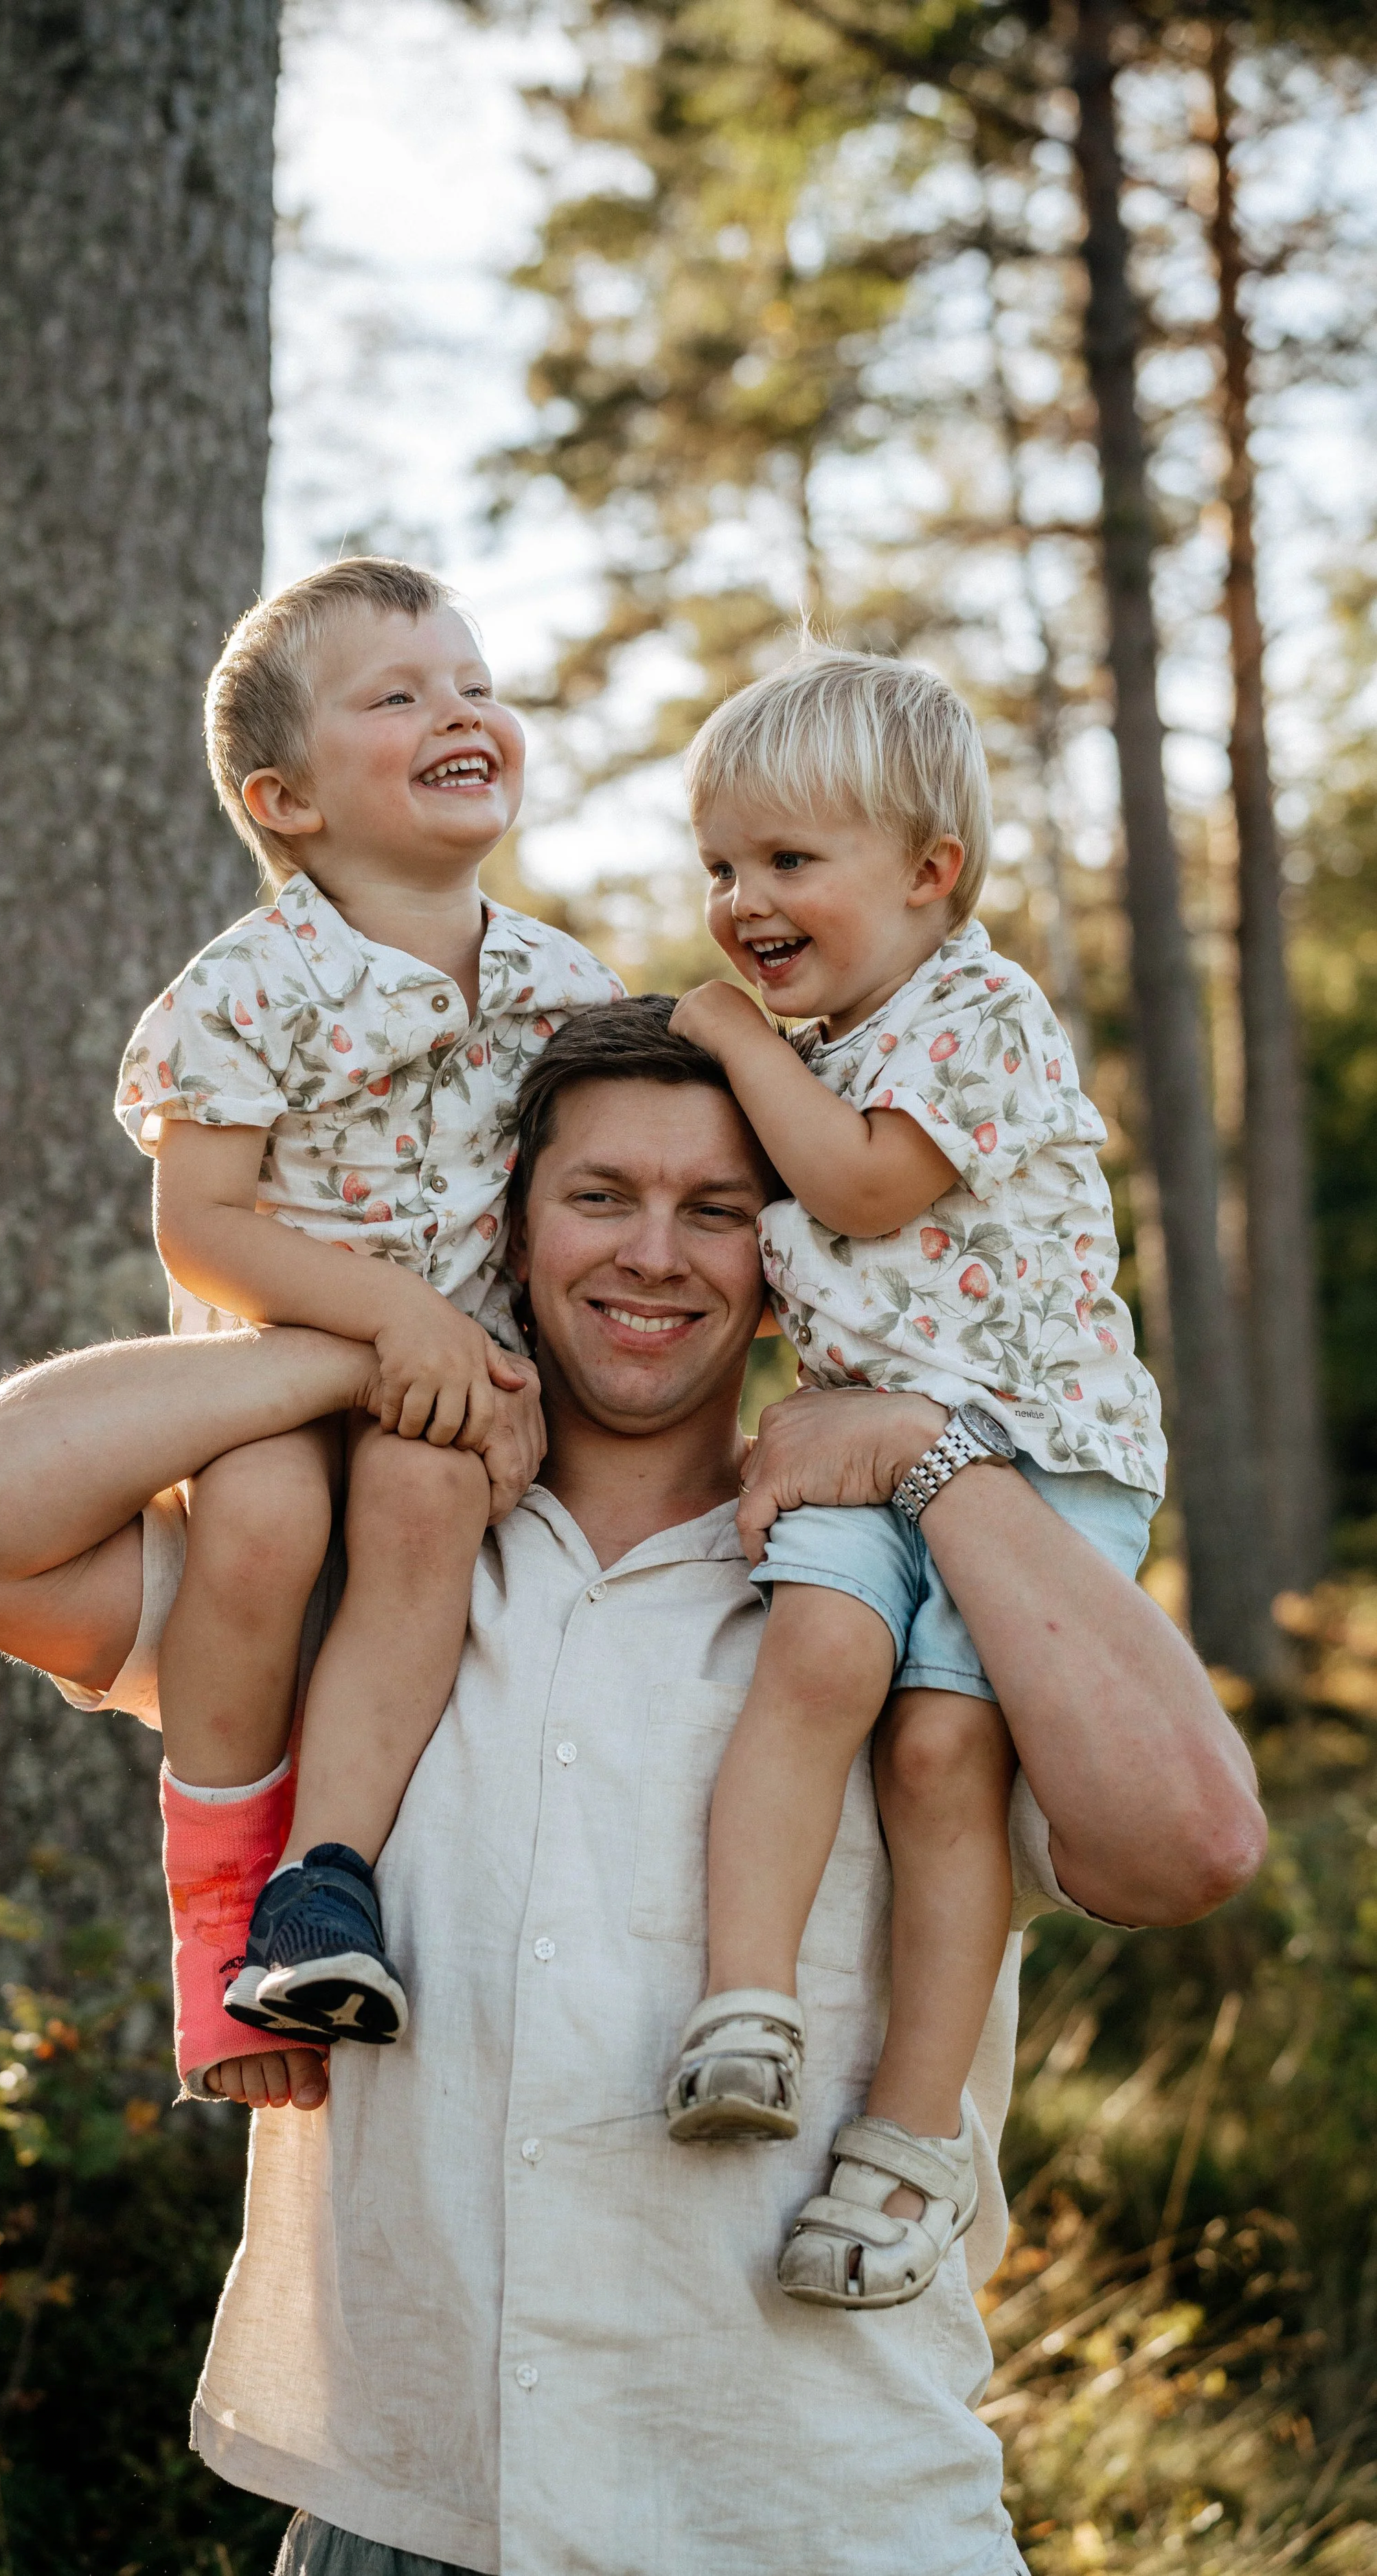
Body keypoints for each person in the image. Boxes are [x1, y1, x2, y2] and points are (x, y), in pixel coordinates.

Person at [0, 997, 1265, 2576]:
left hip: (816, 2519)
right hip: (404, 2517)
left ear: (784, 1255)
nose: (653, 1255)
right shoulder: (350, 1580)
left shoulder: (897, 1606)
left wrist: (936, 1455)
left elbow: (1188, 1844)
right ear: (513, 1228)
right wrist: (375, 1335)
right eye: (599, 1197)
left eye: (716, 1212)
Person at [657, 648, 1167, 2313]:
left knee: (944, 1747)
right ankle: (744, 2006)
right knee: (814, 1662)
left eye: (787, 863)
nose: (742, 902)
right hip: (858, 1448)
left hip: (1037, 1453)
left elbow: (869, 1192)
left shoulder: (974, 1012)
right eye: (722, 867)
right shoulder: (824, 1037)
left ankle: (908, 2139)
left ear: (927, 873)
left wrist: (732, 1043)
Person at [89, 554, 621, 2049]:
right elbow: (197, 1227)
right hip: (278, 1359)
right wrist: (391, 1322)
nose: (460, 712)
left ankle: (322, 1886)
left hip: (445, 1389)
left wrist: (497, 1376)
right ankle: (214, 1934)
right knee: (260, 1524)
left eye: (475, 686)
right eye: (398, 695)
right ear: (284, 803)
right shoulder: (251, 986)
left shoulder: (559, 986)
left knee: (420, 1510)